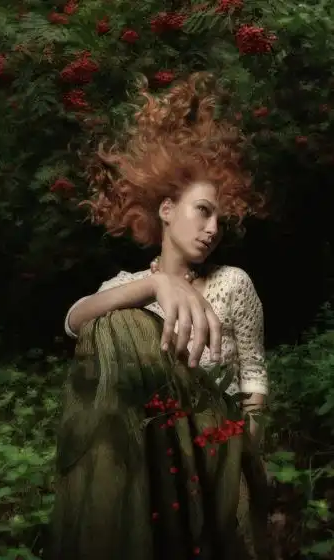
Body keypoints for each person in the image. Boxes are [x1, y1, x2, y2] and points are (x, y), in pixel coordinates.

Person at [46, 73, 269, 560]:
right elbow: (74, 322)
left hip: (215, 441)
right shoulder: (128, 286)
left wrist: (247, 466)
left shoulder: (232, 282)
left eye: (220, 220)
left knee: (122, 325)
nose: (212, 229)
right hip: (147, 446)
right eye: (203, 211)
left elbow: (252, 376)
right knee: (115, 323)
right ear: (167, 209)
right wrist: (153, 285)